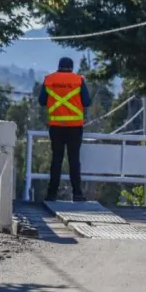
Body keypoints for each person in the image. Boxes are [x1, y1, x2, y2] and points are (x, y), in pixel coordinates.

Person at [39, 57, 91, 201]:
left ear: (59, 66)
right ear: (72, 67)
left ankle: (51, 194)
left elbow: (42, 101)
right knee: (74, 160)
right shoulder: (78, 80)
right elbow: (87, 101)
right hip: (75, 127)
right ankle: (77, 194)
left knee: (57, 160)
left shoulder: (49, 80)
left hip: (56, 127)